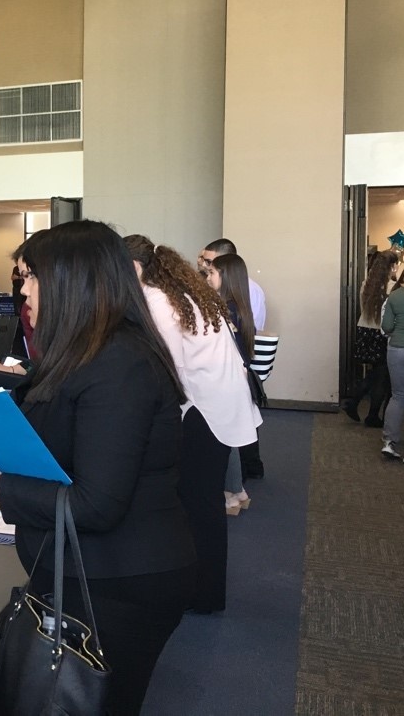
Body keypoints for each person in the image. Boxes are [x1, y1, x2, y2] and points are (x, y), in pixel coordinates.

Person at [0, 221, 195, 716]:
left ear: (69, 280)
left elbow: (96, 504)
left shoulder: (119, 364)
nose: (23, 291)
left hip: (120, 582)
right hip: (94, 575)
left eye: (30, 278)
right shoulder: (93, 353)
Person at [125, 234, 259, 615]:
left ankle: (205, 594)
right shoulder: (179, 294)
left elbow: (166, 369)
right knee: (200, 504)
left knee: (199, 506)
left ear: (134, 269)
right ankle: (204, 591)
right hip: (215, 404)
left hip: (204, 410)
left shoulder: (157, 301)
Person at [205, 253, 256, 514]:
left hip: (227, 379)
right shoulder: (241, 305)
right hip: (239, 377)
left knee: (224, 436)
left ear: (226, 277)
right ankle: (238, 491)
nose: (207, 277)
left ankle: (229, 494)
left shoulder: (223, 308)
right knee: (231, 437)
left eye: (212, 273)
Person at [342, 250, 398, 428]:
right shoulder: (392, 288)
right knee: (381, 376)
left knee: (377, 373)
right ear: (392, 266)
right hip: (381, 333)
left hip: (365, 330)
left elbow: (362, 307)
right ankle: (370, 414)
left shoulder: (366, 284)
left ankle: (356, 403)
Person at [380, 257, 404, 464]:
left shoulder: (394, 297)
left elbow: (386, 327)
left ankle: (389, 443)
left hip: (395, 350)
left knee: (398, 397)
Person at [198, 238, 266, 330]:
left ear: (226, 261)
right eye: (203, 260)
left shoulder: (251, 289)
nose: (204, 265)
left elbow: (251, 330)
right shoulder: (212, 285)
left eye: (209, 262)